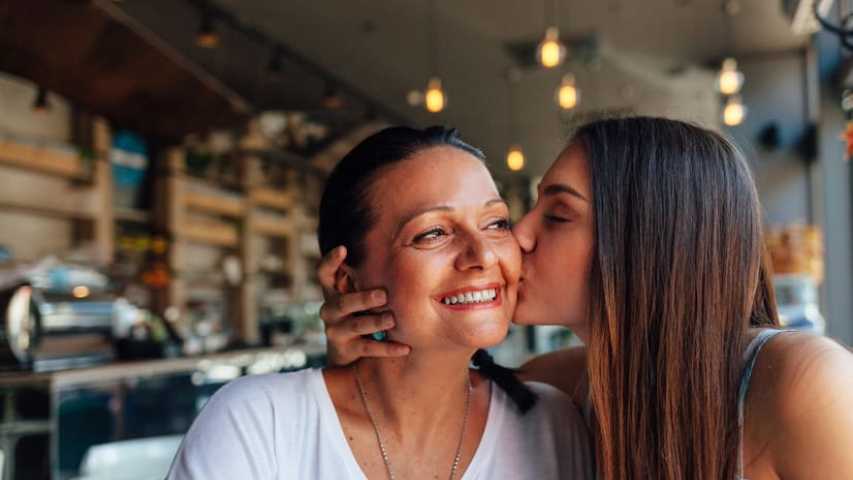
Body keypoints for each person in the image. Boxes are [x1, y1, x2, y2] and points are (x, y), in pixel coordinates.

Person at [318, 117, 853, 480]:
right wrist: (362, 358)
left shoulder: (804, 385)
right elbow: (414, 412)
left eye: (557, 215)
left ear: (646, 239)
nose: (516, 237)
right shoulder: (558, 386)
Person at [166, 126, 594, 480]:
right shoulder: (261, 423)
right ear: (345, 279)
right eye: (433, 233)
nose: (483, 255)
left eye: (496, 222)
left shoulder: (552, 424)